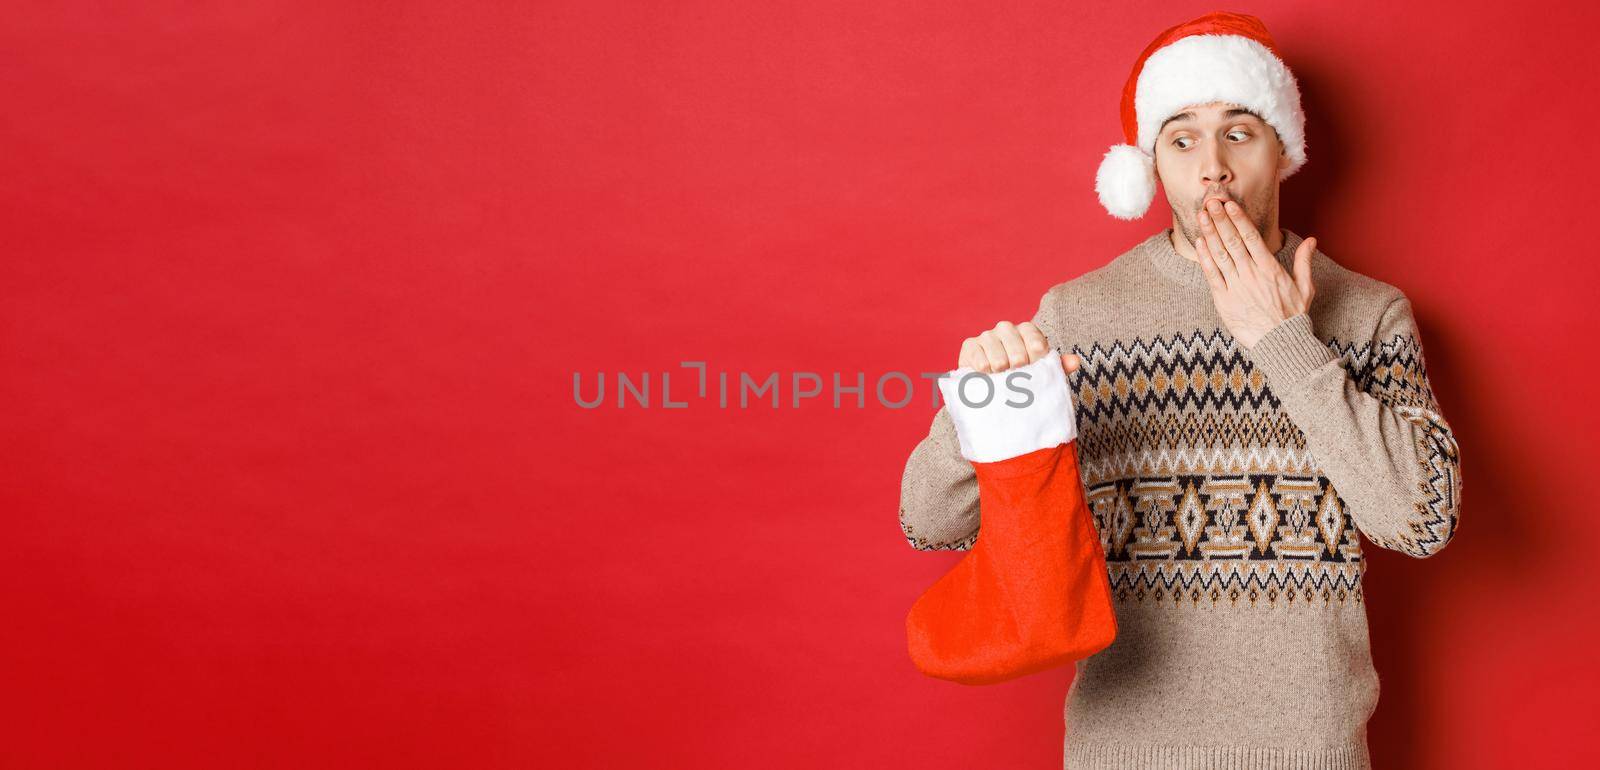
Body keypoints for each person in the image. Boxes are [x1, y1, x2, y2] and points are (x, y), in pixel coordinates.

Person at [897, 11, 1463, 769]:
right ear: (1152, 165)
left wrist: (1283, 342)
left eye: (1239, 131)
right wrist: (980, 415)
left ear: (1282, 151)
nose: (1214, 167)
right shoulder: (1078, 315)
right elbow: (927, 523)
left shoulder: (1366, 312)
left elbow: (1422, 521)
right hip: (1122, 747)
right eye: (1182, 138)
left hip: (1309, 748)